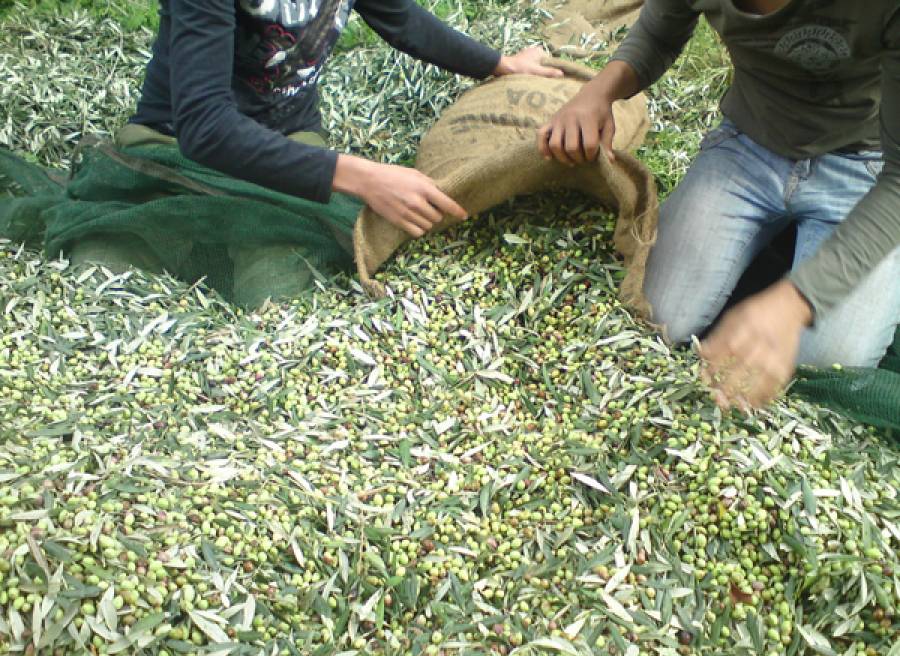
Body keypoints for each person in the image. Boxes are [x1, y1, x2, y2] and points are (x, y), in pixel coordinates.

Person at [71, 0, 563, 306]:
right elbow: (206, 128)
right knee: (104, 270)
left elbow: (404, 21)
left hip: (286, 139)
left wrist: (498, 64)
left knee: (280, 292)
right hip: (171, 148)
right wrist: (362, 176)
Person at [538, 0, 900, 410]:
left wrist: (797, 300)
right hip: (748, 147)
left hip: (865, 169)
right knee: (657, 315)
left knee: (827, 367)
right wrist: (598, 92)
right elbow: (658, 34)